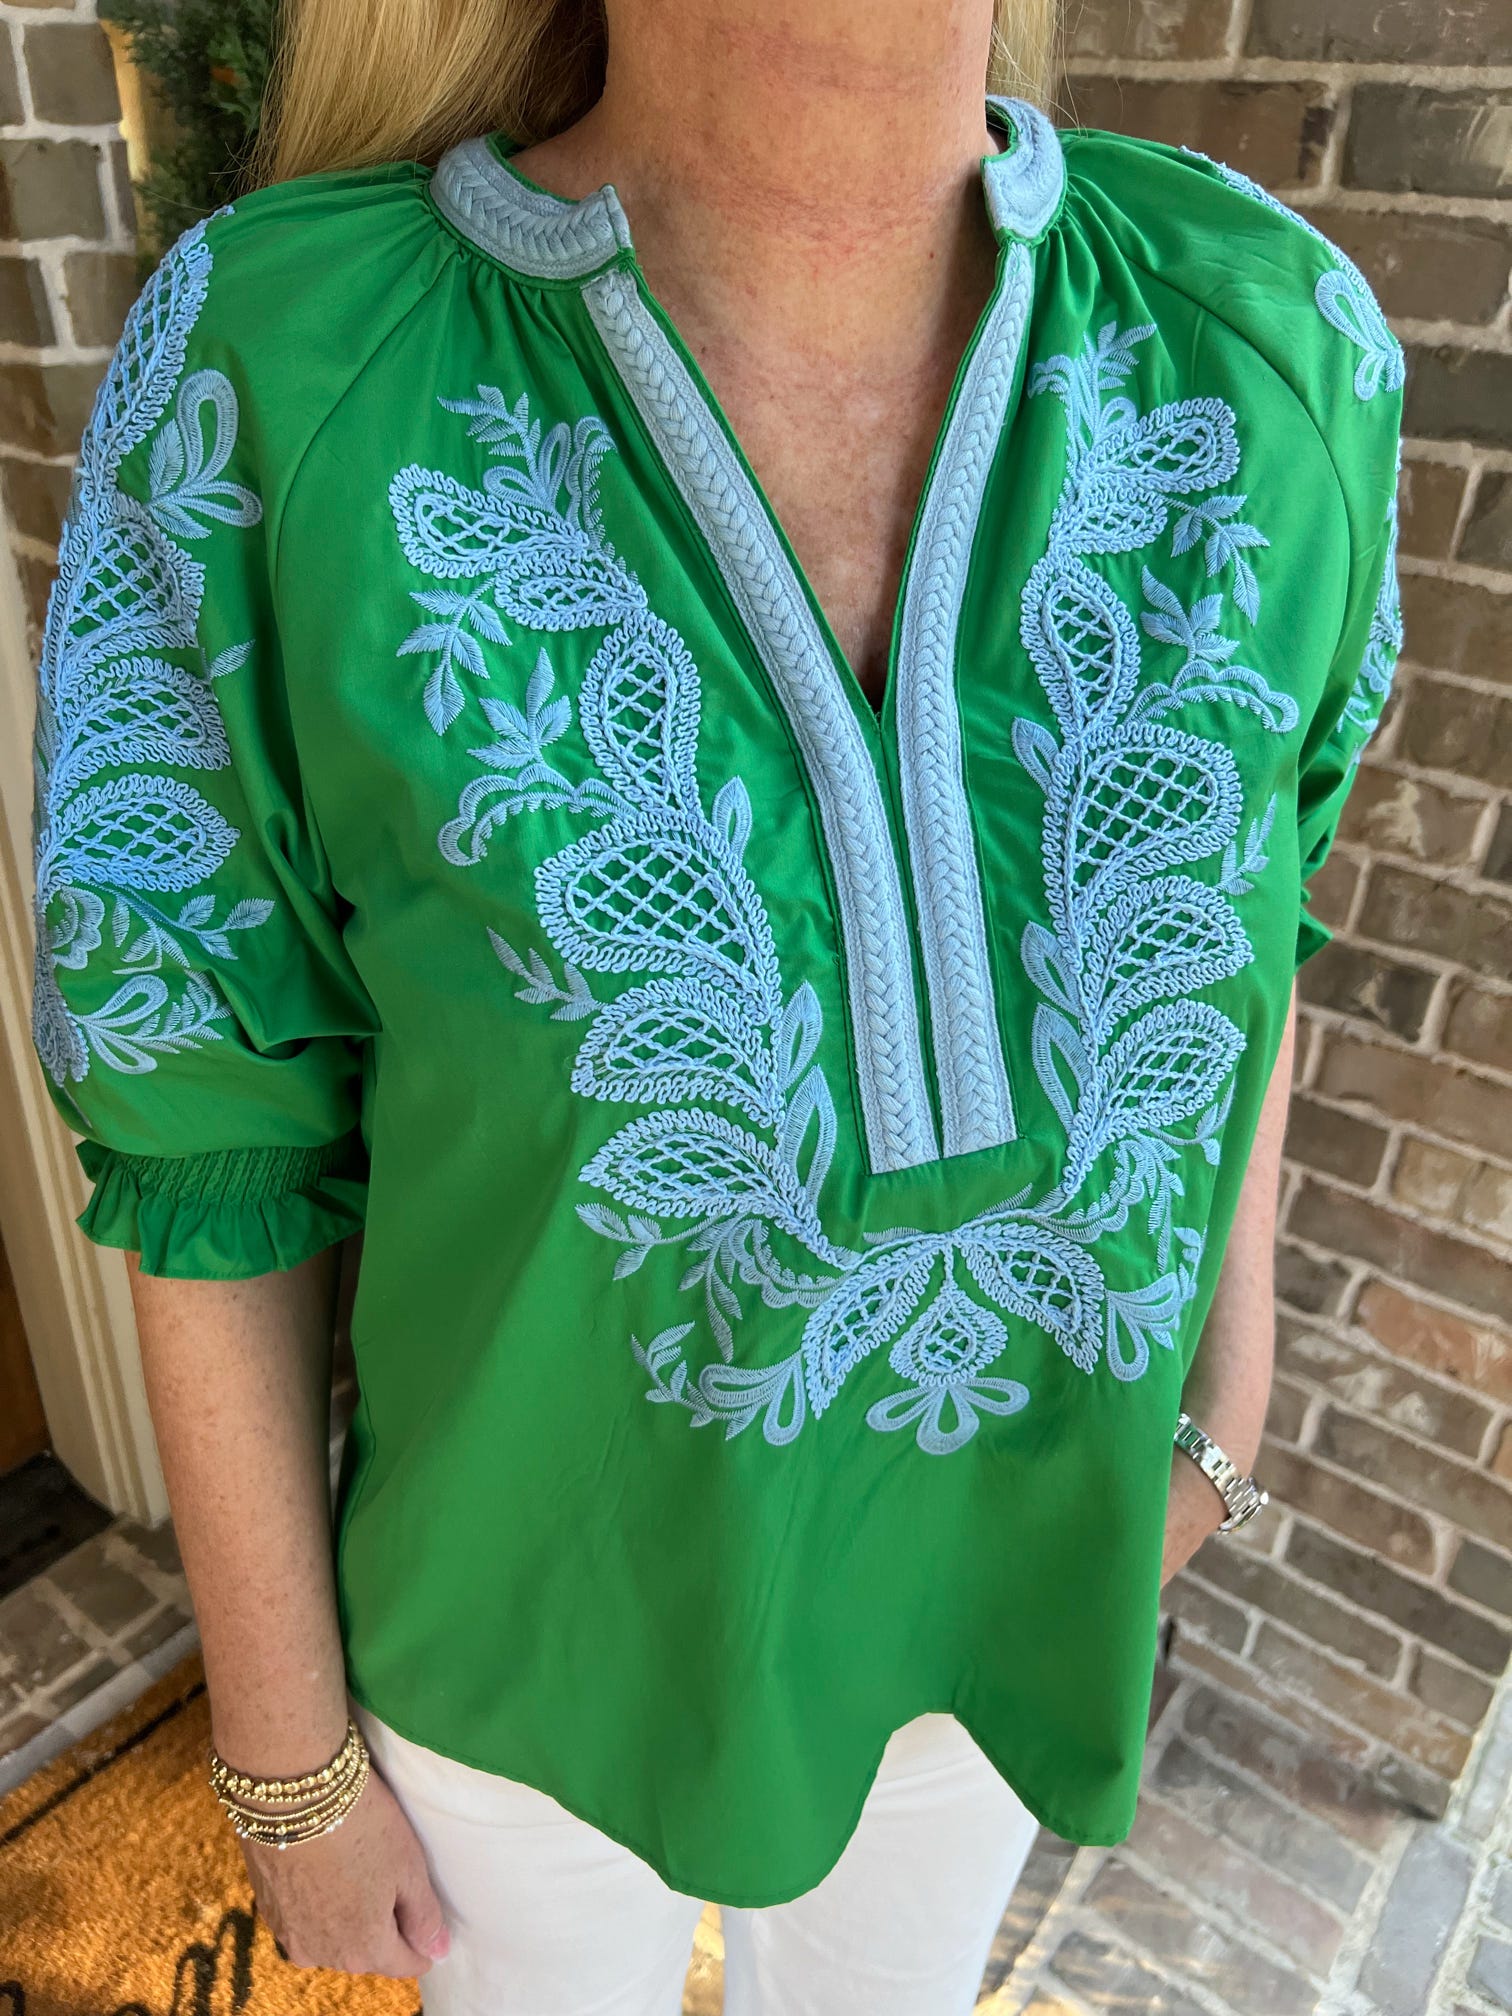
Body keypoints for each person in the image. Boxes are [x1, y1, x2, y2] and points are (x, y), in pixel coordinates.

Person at [27, 0, 1404, 2006]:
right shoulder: (281, 363)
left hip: (1007, 1613)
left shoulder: (1274, 344)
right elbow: (203, 1110)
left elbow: (1266, 899)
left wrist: (1228, 1392)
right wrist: (288, 1762)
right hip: (519, 1663)